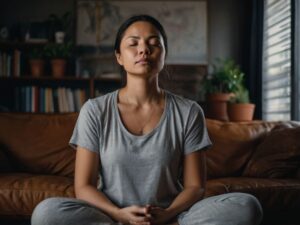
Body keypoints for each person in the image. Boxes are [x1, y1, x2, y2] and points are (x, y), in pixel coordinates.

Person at [31, 14, 263, 225]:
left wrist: (167, 214)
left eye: (154, 44)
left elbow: (195, 186)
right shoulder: (94, 110)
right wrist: (119, 214)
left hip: (171, 216)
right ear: (119, 57)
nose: (144, 49)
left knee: (246, 207)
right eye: (133, 43)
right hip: (111, 216)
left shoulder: (189, 112)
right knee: (46, 213)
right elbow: (84, 186)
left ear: (164, 55)